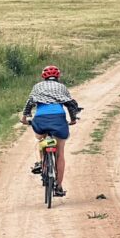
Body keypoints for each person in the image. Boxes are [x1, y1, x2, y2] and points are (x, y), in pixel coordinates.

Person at [20, 65, 80, 197]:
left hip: (41, 119)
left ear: (43, 77)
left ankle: (42, 163)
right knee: (60, 153)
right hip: (58, 119)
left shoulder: (37, 87)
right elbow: (70, 104)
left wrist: (24, 118)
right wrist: (73, 119)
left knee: (40, 137)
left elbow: (29, 103)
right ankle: (58, 187)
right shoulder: (62, 88)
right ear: (58, 77)